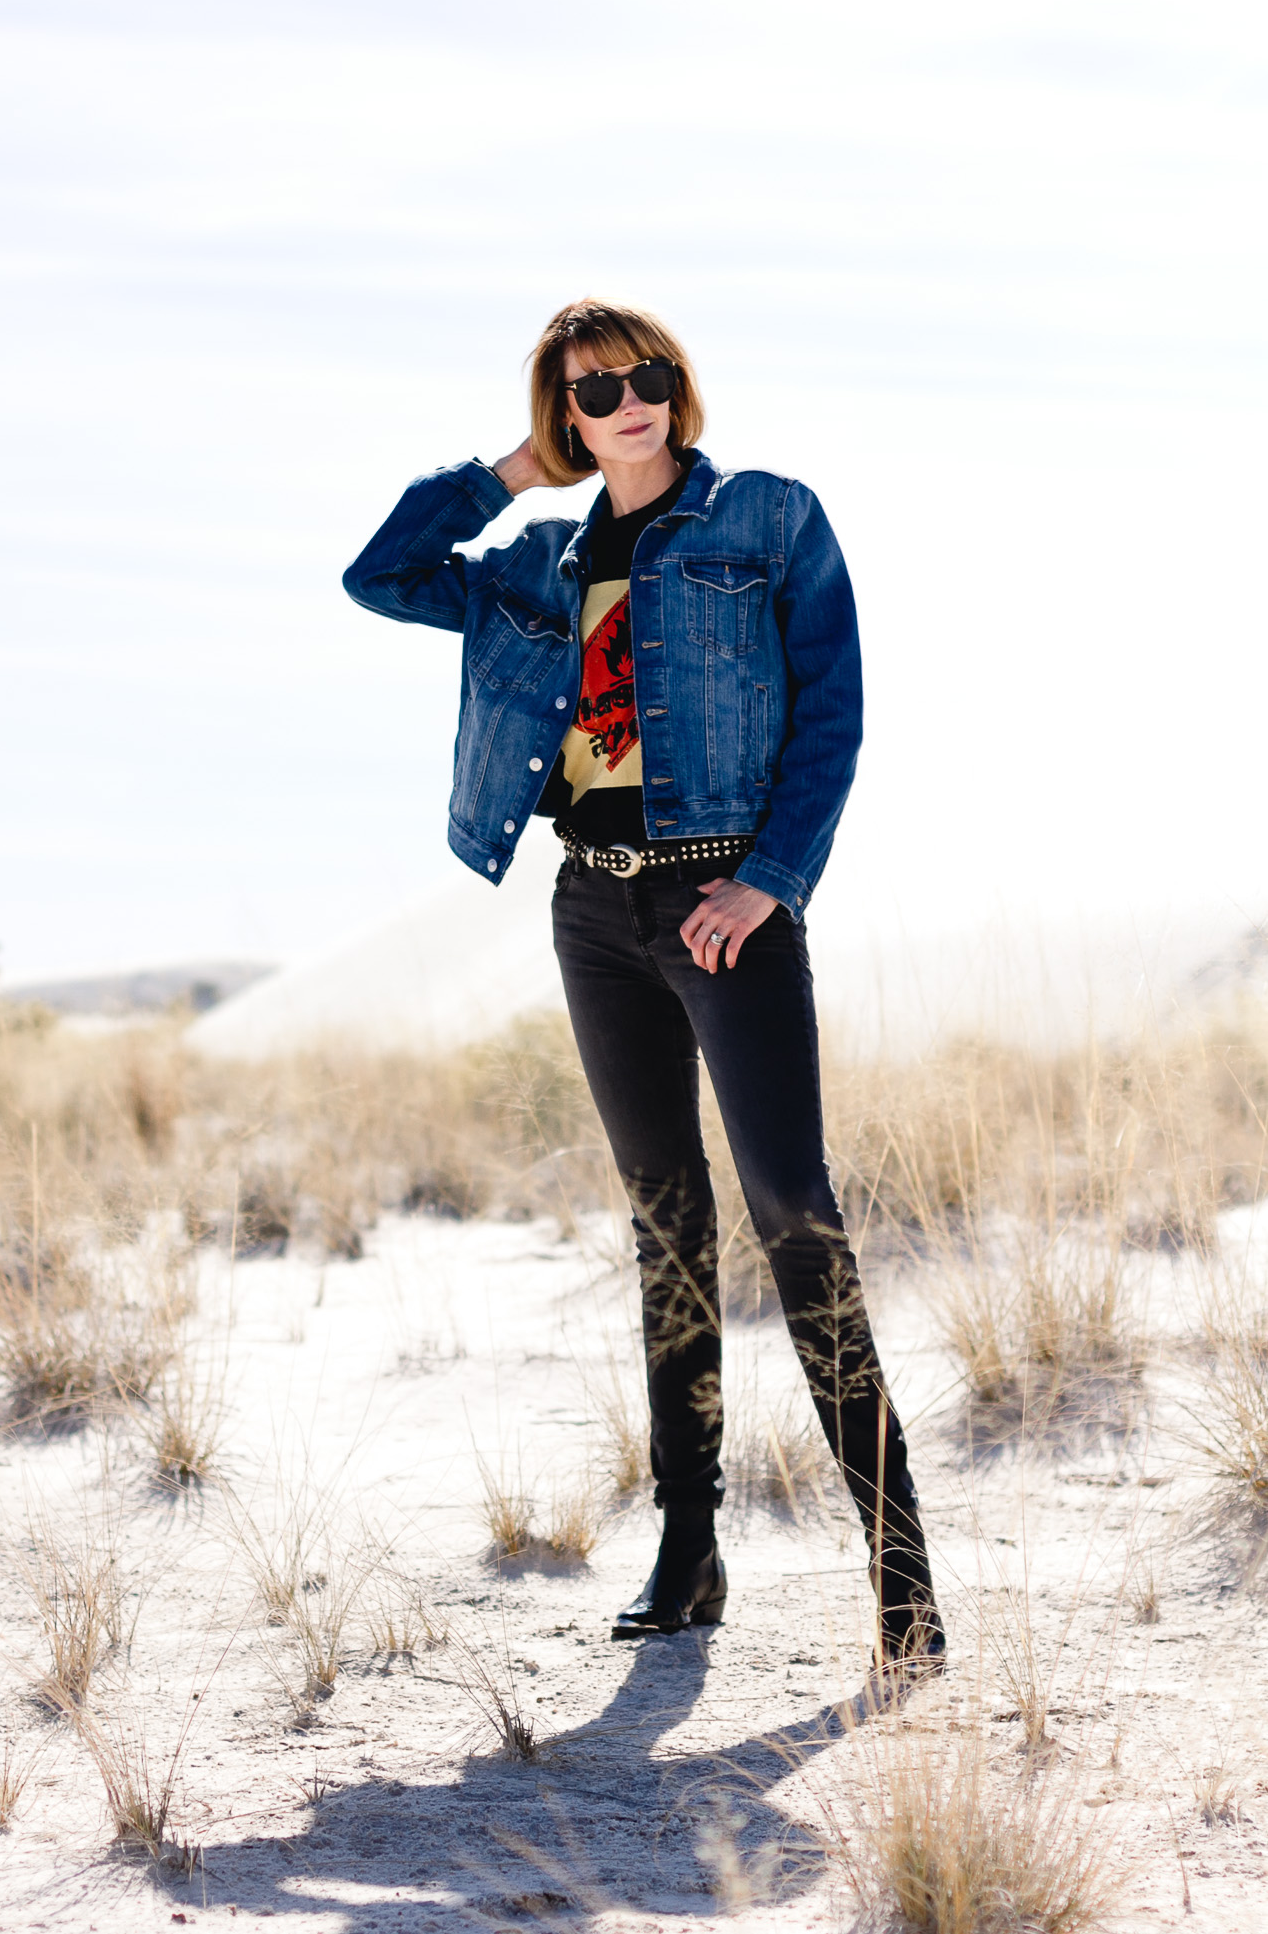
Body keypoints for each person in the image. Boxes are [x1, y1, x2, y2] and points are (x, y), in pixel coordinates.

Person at [343, 298, 944, 1678]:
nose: (626, 400)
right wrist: (508, 471)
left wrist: (771, 878)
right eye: (593, 388)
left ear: (680, 385)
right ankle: (690, 1547)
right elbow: (378, 574)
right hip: (593, 908)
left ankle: (898, 1572)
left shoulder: (766, 520)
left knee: (793, 1211)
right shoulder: (536, 559)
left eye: (646, 375)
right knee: (664, 1220)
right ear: (565, 412)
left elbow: (831, 710)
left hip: (722, 904)